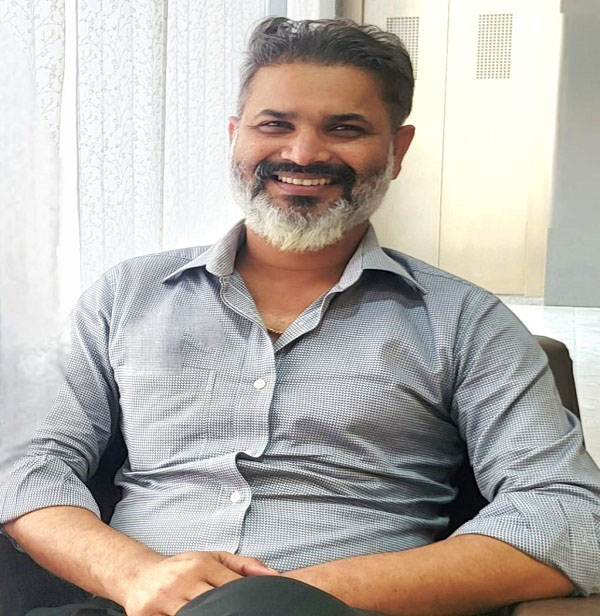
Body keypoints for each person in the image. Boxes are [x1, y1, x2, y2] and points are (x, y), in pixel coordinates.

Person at [1, 17, 600, 616]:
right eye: (275, 125)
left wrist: (287, 598)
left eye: (345, 128)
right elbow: (27, 462)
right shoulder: (126, 297)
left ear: (397, 150)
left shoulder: (466, 322)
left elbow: (568, 512)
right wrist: (136, 575)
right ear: (235, 136)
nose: (303, 153)